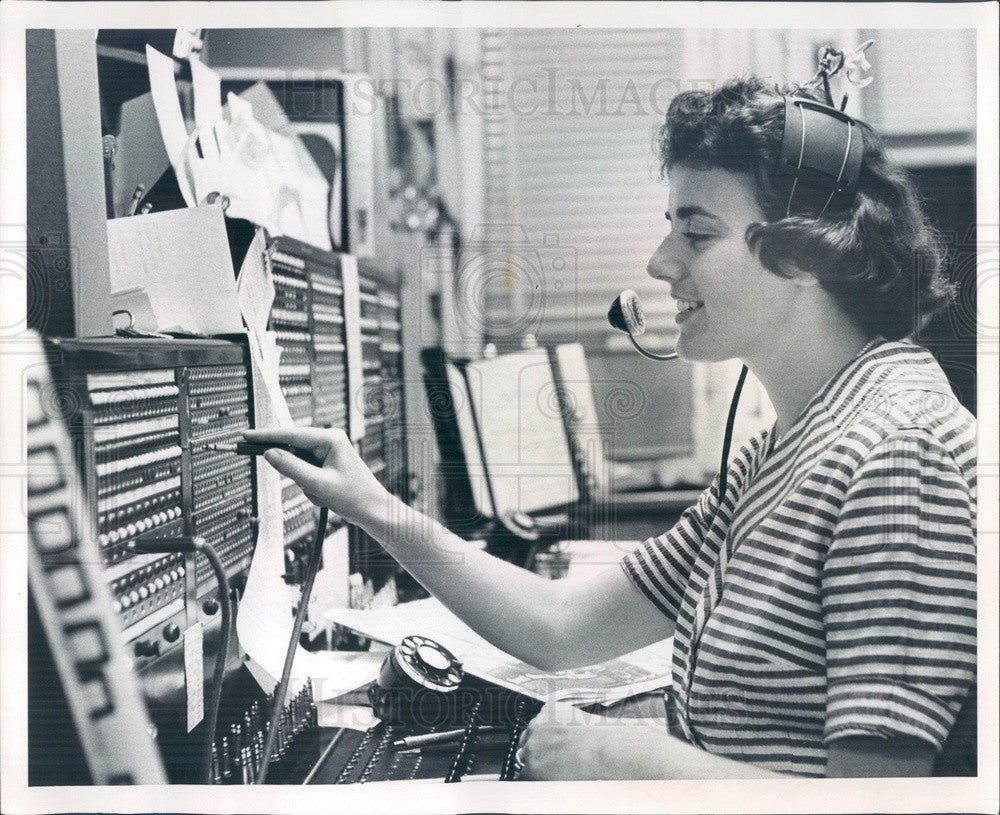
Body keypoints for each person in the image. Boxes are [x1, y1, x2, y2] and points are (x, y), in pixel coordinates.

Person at [244, 72, 977, 780]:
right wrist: (371, 505)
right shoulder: (782, 451)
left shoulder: (894, 457)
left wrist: (614, 757)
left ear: (810, 250)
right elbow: (564, 623)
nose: (660, 263)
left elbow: (880, 803)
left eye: (696, 233)